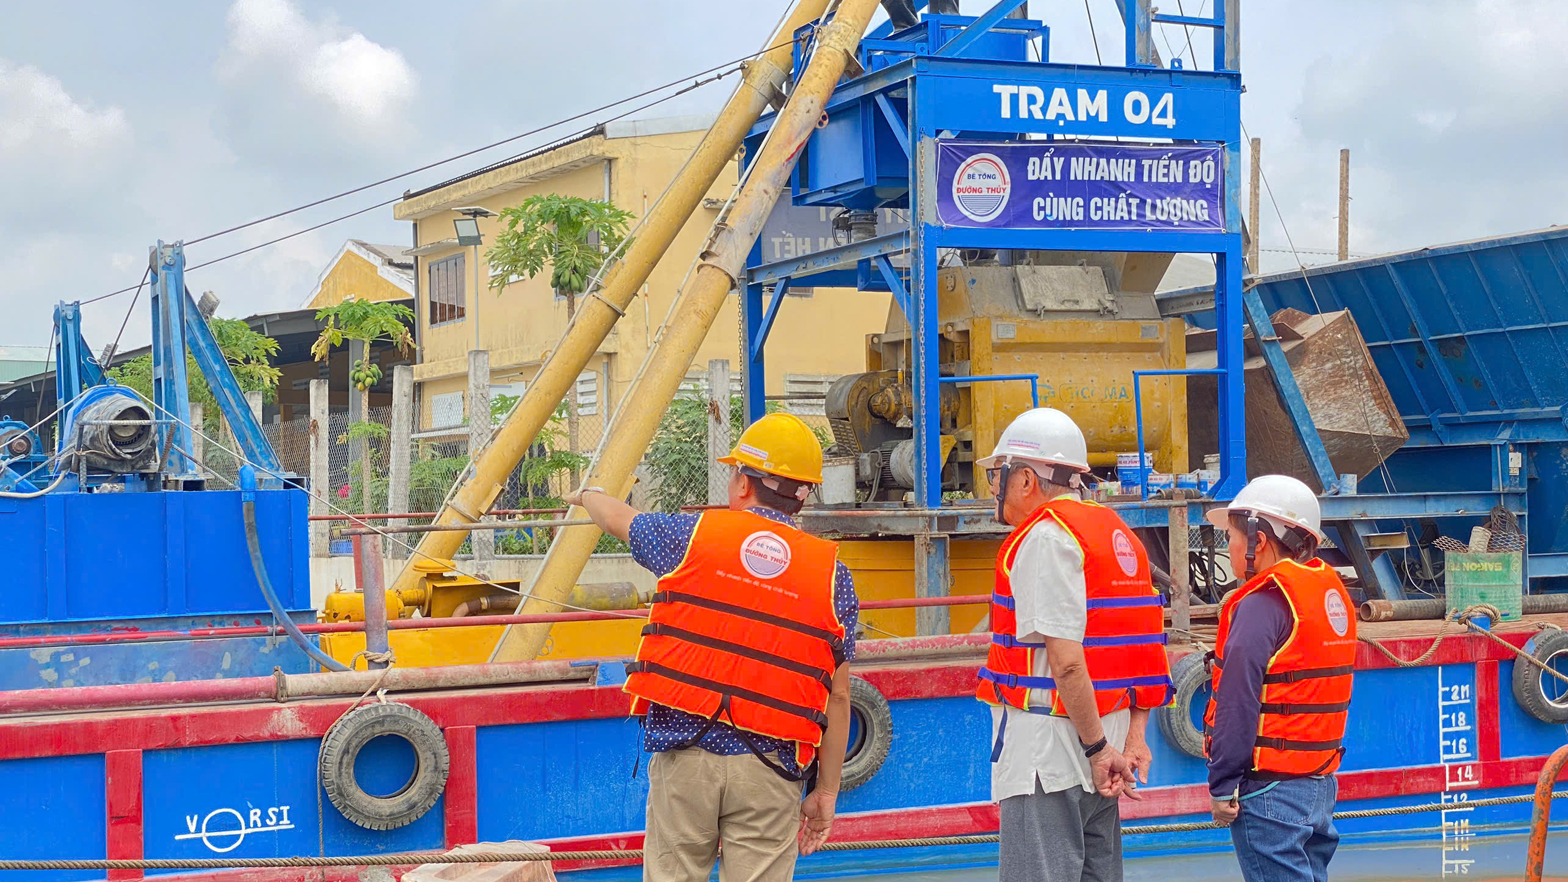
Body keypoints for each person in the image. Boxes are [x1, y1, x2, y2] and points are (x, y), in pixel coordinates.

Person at [564, 412, 858, 882]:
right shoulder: (833, 577)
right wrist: (826, 792)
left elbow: (618, 518)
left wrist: (589, 495)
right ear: (803, 495)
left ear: (743, 483)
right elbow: (838, 697)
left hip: (686, 759)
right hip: (771, 769)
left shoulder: (689, 537)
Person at [975, 408, 1173, 882]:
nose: (993, 487)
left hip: (1054, 755)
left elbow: (1066, 663)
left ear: (1025, 479)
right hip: (1105, 748)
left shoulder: (1047, 538)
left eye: (996, 474)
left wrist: (1098, 750)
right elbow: (1141, 649)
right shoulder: (1118, 535)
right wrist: (1130, 740)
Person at [1203, 475, 1356, 882]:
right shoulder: (1327, 596)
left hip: (1270, 794)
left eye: (1231, 537)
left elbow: (1237, 701)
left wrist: (1222, 785)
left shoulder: (1261, 605)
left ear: (1258, 540)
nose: (1229, 548)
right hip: (1318, 787)